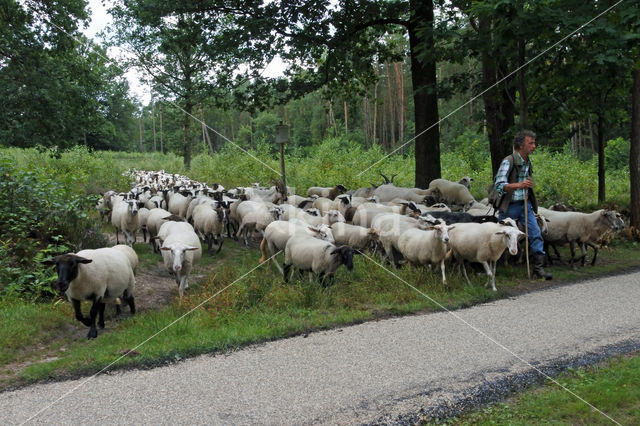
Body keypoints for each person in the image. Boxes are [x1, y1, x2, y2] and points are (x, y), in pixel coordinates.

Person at [493, 130, 552, 280]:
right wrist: (520, 185)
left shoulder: (527, 162)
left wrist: (527, 187)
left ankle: (538, 269)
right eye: (530, 143)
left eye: (534, 143)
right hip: (510, 205)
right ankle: (495, 268)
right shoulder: (509, 161)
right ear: (521, 145)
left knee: (536, 234)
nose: (534, 146)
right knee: (502, 236)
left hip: (525, 205)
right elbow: (499, 185)